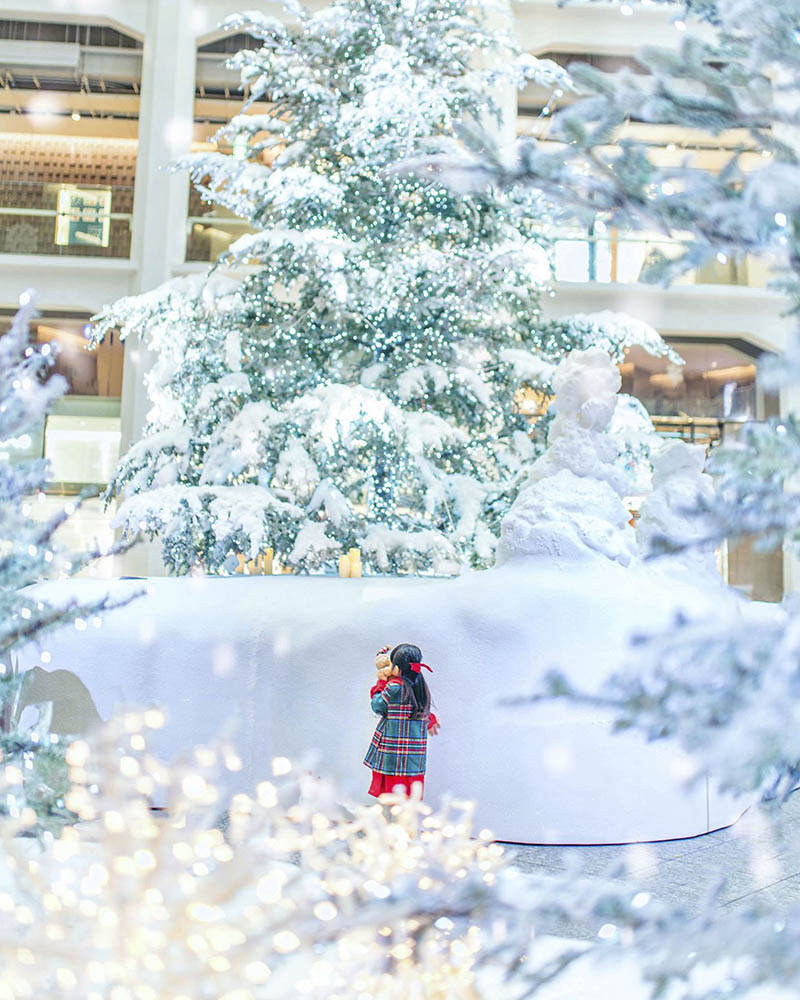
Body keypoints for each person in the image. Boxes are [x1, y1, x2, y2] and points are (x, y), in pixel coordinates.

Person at [364, 642, 439, 799]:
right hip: (413, 758)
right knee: (409, 799)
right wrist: (430, 720)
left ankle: (387, 822)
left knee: (390, 797)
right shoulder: (421, 688)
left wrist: (381, 684)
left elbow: (377, 706)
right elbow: (424, 711)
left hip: (393, 754)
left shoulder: (393, 688)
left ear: (397, 669)